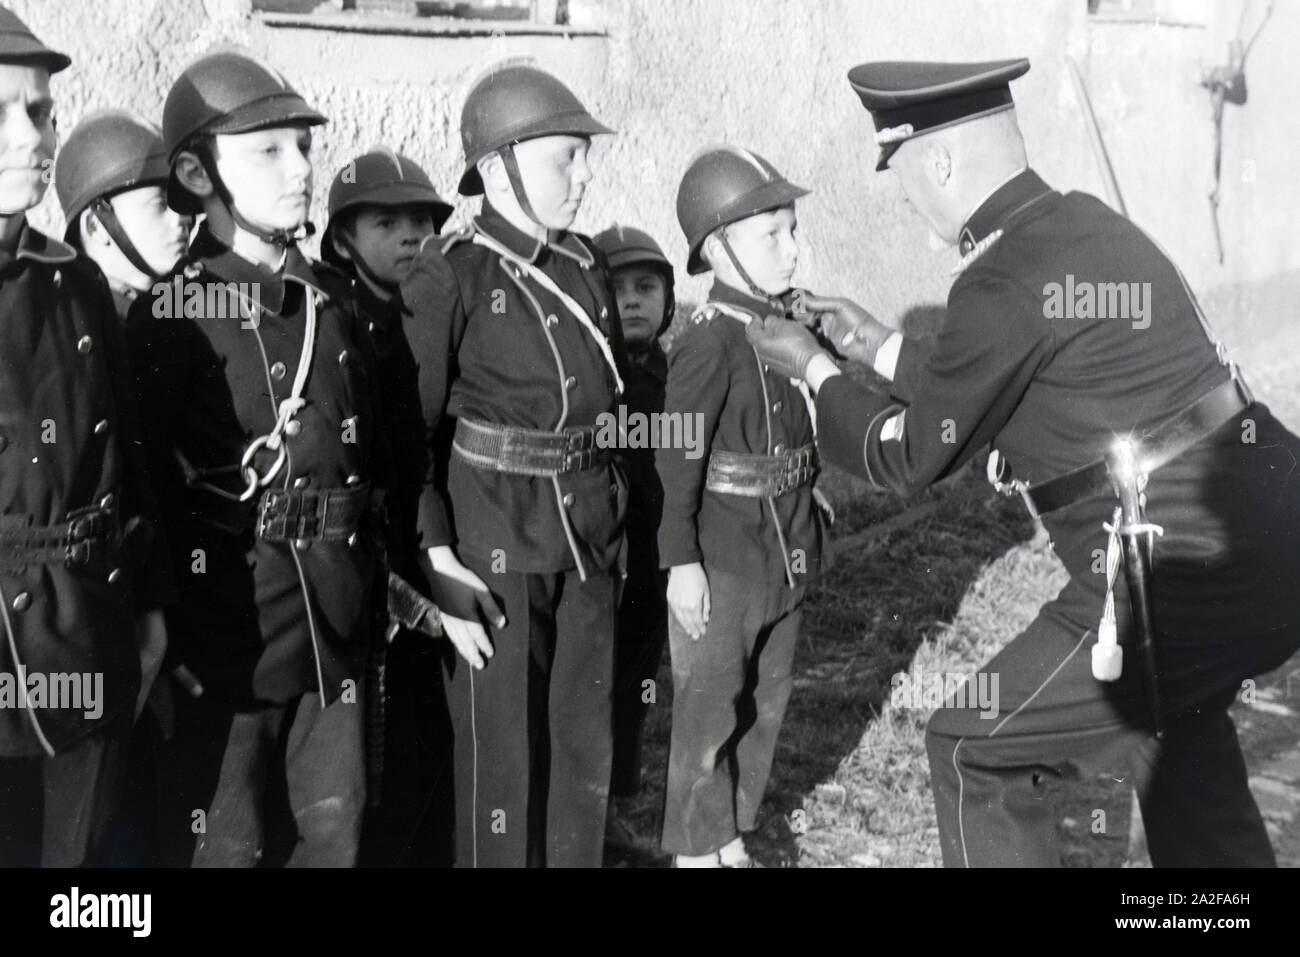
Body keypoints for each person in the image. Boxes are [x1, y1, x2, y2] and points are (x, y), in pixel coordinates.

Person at [744, 57, 1300, 867]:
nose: (906, 202)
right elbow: (1011, 373)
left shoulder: (1000, 275)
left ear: (939, 162)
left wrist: (814, 369)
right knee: (1178, 743)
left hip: (1176, 570)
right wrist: (879, 346)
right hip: (1269, 527)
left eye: (903, 178)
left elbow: (910, 456)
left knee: (974, 748)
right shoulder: (1083, 223)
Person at [127, 49, 387, 868]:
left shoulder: (332, 305)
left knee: (334, 828)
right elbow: (142, 491)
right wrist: (157, 635)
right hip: (225, 632)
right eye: (268, 151)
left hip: (335, 623)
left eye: (304, 147)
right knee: (224, 841)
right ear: (198, 174)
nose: (301, 168)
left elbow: (368, 460)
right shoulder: (171, 317)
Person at [400, 64, 627, 868]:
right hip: (494, 545)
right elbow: (408, 436)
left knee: (580, 753)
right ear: (499, 168)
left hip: (591, 537)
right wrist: (434, 556)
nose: (583, 174)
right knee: (501, 769)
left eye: (583, 155)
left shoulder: (586, 265)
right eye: (565, 157)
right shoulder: (450, 273)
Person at [0, 6, 171, 867]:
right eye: (3, 112)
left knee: (84, 878)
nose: (32, 135)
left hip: (93, 627)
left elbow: (124, 461)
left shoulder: (76, 281)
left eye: (39, 111)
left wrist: (145, 611)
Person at [657, 146, 828, 868]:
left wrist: (810, 492)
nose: (792, 250)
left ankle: (730, 829)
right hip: (723, 555)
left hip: (784, 545)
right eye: (772, 235)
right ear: (717, 249)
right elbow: (674, 458)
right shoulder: (709, 341)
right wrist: (680, 561)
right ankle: (696, 847)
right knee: (710, 704)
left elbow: (796, 426)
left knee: (767, 696)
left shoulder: (783, 328)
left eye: (793, 230)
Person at [321, 147, 456, 865]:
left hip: (429, 538)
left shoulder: (435, 307)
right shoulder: (335, 321)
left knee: (425, 737)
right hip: (363, 559)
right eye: (385, 222)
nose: (410, 235)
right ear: (343, 238)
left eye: (421, 221)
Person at [592, 224, 674, 848]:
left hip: (654, 558)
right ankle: (581, 813)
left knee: (636, 685)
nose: (633, 302)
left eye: (647, 287)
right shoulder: (594, 371)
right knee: (591, 683)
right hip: (600, 556)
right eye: (616, 290)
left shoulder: (675, 370)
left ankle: (615, 809)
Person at [55, 110, 191, 320]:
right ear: (96, 227)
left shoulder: (178, 306)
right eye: (160, 203)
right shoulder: (80, 326)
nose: (183, 217)